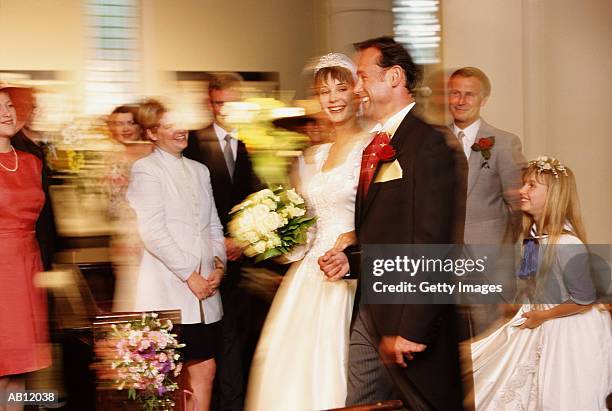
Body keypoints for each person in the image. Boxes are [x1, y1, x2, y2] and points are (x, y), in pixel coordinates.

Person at [319, 37, 466, 410]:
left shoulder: (427, 144)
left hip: (409, 315)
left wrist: (412, 328)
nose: (357, 88)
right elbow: (388, 230)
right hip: (372, 307)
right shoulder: (380, 142)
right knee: (361, 403)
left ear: (396, 77)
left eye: (363, 77)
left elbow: (433, 242)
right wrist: (352, 261)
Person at [244, 53, 372, 410]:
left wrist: (354, 239)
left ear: (357, 92)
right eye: (324, 90)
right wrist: (273, 231)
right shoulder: (311, 156)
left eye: (340, 88)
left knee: (341, 365)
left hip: (350, 271)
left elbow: (380, 213)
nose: (332, 98)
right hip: (308, 275)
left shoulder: (372, 147)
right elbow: (304, 231)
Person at [471, 156, 612, 410]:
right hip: (545, 320)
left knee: (561, 395)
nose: (522, 191)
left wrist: (544, 315)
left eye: (532, 186)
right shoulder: (534, 238)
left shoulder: (567, 244)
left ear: (554, 195)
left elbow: (584, 299)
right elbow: (530, 282)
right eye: (524, 184)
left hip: (570, 329)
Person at [126, 99, 226, 410]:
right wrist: (189, 275)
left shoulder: (199, 169)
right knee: (167, 376)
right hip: (169, 288)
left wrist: (219, 266)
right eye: (170, 126)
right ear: (153, 133)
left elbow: (212, 223)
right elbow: (152, 232)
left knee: (205, 368)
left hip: (206, 290)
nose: (180, 130)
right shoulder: (146, 169)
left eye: (180, 123)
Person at [183, 73, 262, 411]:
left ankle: (235, 402)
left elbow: (255, 198)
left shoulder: (247, 144)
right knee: (211, 344)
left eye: (232, 103)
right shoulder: (193, 143)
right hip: (205, 262)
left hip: (241, 261)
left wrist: (243, 240)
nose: (226, 109)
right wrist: (219, 247)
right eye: (219, 103)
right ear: (210, 103)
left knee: (238, 339)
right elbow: (190, 205)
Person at [448, 67, 526, 335]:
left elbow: (518, 207)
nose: (461, 101)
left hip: (487, 263)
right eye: (455, 93)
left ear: (484, 100)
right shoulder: (433, 142)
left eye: (469, 95)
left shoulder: (504, 143)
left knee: (490, 338)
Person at [0, 84, 51, 410]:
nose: (6, 113)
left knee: (19, 368)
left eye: (8, 106)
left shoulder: (32, 162)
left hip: (28, 266)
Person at [106, 104, 153, 312]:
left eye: (130, 123)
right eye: (118, 123)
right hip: (122, 241)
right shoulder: (111, 159)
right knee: (129, 299)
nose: (124, 128)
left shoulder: (152, 155)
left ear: (140, 126)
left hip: (149, 238)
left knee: (145, 297)